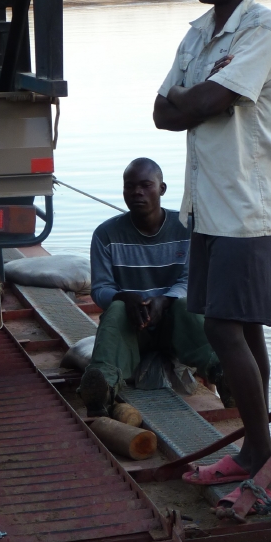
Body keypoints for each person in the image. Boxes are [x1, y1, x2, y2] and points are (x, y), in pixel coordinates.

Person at [153, 0, 271, 511]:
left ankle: (266, 467)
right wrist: (199, 99)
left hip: (245, 207)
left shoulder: (262, 29)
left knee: (223, 330)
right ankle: (257, 453)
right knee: (242, 329)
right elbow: (162, 113)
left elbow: (207, 103)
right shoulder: (197, 34)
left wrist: (197, 100)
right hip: (206, 206)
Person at [78, 156, 221, 415]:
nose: (137, 192)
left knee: (186, 305)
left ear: (162, 189)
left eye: (146, 185)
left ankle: (222, 374)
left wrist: (165, 301)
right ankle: (101, 389)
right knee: (116, 309)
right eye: (130, 186)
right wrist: (125, 297)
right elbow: (99, 289)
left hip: (176, 329)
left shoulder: (188, 228)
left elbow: (193, 281)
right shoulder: (106, 234)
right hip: (133, 328)